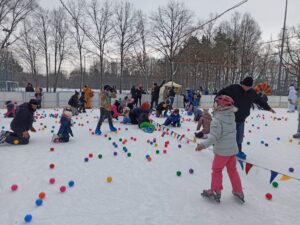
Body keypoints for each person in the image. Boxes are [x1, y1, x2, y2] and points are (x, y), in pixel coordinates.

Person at [195, 95, 244, 203]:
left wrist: (202, 145)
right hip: (232, 150)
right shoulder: (231, 116)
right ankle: (238, 190)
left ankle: (215, 191)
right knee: (233, 171)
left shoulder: (217, 120)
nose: (214, 105)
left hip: (222, 152)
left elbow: (214, 137)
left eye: (216, 103)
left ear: (220, 106)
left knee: (217, 170)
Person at [216, 76, 275, 159]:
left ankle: (238, 150)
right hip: (230, 118)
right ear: (242, 84)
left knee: (239, 137)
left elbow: (260, 101)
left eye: (248, 87)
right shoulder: (234, 88)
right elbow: (222, 92)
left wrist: (268, 108)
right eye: (245, 86)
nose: (246, 88)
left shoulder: (252, 93)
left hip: (241, 119)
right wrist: (218, 99)